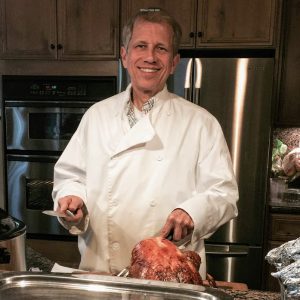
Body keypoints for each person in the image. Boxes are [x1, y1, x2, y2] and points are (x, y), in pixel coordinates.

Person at [52, 9, 238, 279]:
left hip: (169, 281)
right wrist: (71, 198)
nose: (150, 57)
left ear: (174, 62)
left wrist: (192, 211)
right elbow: (71, 176)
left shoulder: (201, 123)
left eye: (160, 49)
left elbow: (224, 195)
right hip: (101, 274)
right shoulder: (97, 115)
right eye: (141, 46)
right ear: (125, 55)